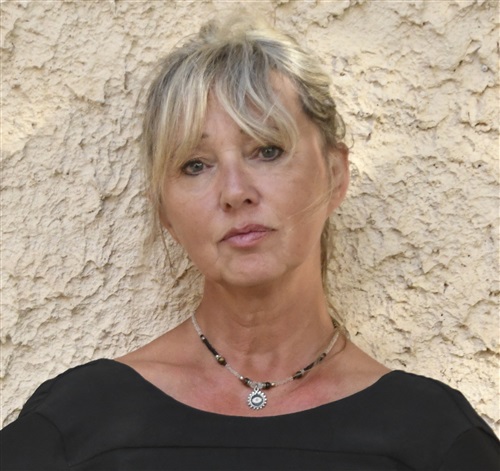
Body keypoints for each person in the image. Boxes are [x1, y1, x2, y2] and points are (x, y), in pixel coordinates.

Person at [1, 15, 498, 471]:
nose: (235, 191)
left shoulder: (434, 439)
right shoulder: (78, 424)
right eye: (196, 164)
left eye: (267, 150)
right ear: (164, 211)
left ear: (335, 175)